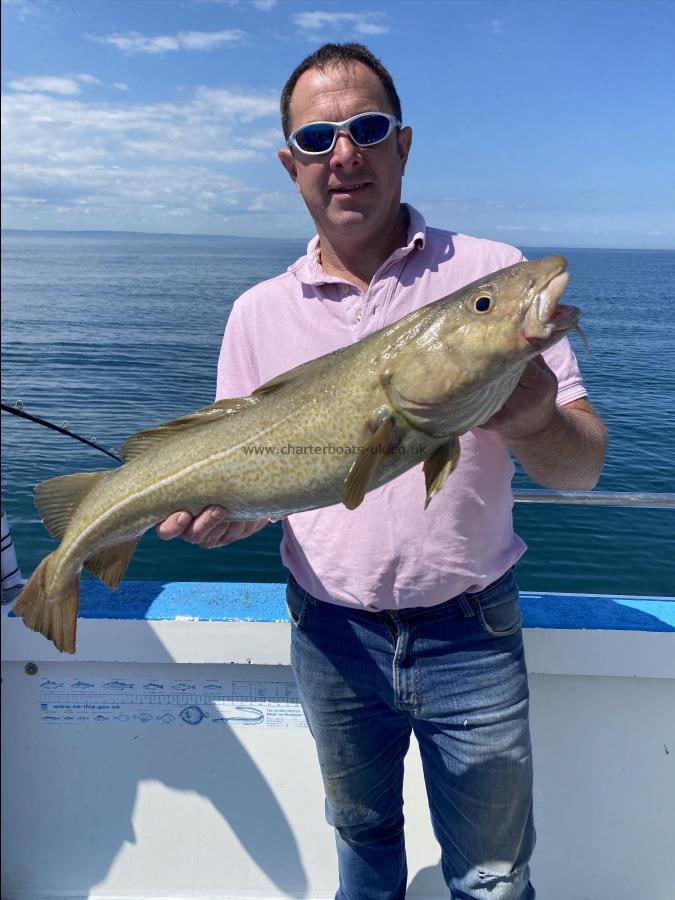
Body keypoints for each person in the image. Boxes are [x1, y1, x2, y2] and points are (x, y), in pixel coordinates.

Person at [157, 43, 608, 899]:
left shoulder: (484, 273)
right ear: (290, 164)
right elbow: (255, 485)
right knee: (363, 854)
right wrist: (228, 516)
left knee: (494, 876)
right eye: (318, 138)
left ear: (402, 145)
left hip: (470, 630)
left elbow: (580, 470)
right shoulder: (255, 313)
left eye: (366, 129)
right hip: (329, 634)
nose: (345, 155)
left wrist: (536, 417)